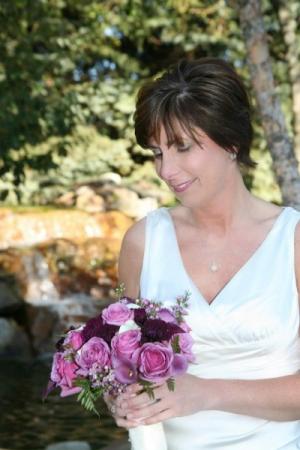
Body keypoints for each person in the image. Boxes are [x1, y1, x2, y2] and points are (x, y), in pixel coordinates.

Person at [106, 57, 300, 449]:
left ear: (231, 142)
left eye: (182, 147)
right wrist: (120, 399)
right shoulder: (143, 242)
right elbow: (122, 365)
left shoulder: (292, 241)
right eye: (157, 152)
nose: (166, 169)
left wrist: (205, 393)